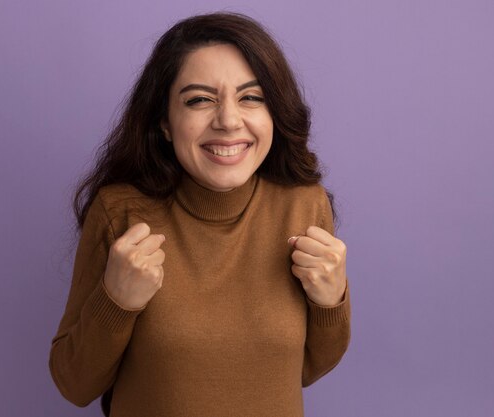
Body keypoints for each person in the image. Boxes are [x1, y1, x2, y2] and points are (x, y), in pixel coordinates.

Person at [49, 12, 350, 417]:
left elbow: (308, 367)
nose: (228, 120)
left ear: (274, 112)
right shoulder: (120, 212)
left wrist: (331, 302)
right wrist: (116, 302)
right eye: (199, 100)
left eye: (251, 97)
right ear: (165, 123)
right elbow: (75, 384)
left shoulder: (304, 206)